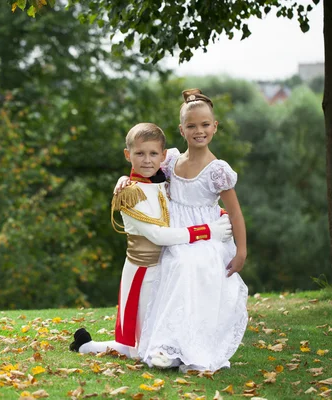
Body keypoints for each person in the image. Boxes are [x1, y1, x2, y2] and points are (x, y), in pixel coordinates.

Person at [69, 122, 233, 359]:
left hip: (169, 267)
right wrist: (208, 231)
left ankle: (88, 345)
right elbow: (158, 235)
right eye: (140, 153)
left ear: (163, 156)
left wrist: (216, 213)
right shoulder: (129, 192)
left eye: (153, 154)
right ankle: (87, 346)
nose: (147, 160)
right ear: (128, 155)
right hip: (143, 271)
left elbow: (187, 204)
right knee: (140, 346)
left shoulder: (163, 183)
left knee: (163, 328)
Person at [135, 89, 248, 372]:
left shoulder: (217, 170)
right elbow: (142, 170)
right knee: (176, 266)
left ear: (215, 126)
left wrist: (242, 251)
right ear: (182, 130)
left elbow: (234, 212)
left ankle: (194, 350)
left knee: (189, 266)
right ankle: (167, 346)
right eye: (192, 126)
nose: (199, 131)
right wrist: (124, 182)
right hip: (176, 234)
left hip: (207, 238)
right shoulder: (171, 161)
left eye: (205, 125)